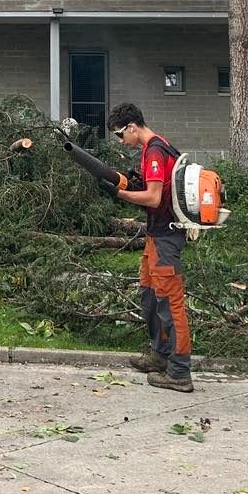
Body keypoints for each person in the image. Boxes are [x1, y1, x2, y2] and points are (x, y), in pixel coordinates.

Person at [105, 101, 194, 393]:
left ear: (132, 127)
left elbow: (154, 198)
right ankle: (160, 355)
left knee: (170, 303)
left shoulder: (155, 150)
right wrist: (128, 183)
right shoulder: (154, 148)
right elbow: (149, 187)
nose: (121, 142)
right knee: (150, 296)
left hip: (166, 236)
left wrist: (121, 195)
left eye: (120, 135)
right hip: (157, 236)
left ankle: (179, 372)